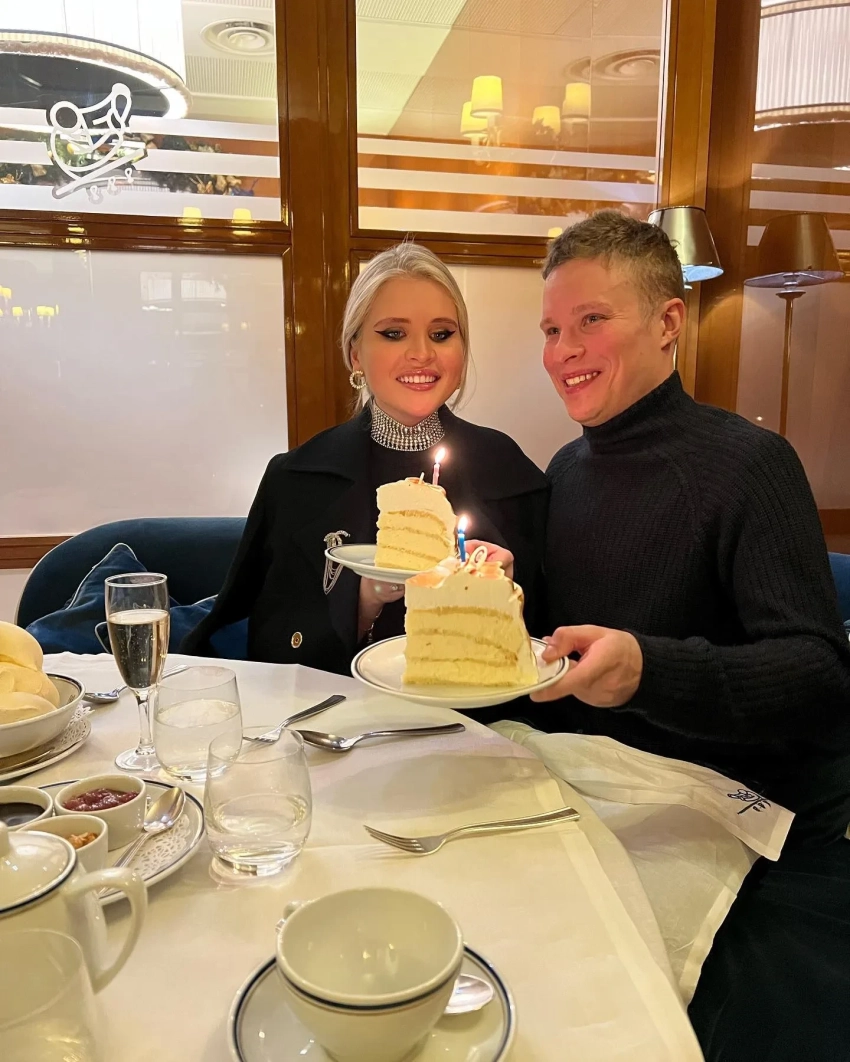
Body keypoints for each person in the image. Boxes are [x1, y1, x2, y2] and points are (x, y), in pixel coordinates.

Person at [489, 210, 850, 1062]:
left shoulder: (750, 466)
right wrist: (496, 600)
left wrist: (650, 671)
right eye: (551, 329)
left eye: (591, 319)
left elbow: (818, 673)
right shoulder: (566, 469)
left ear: (667, 322)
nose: (563, 350)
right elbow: (559, 650)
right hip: (589, 784)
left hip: (715, 805)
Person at [182, 242, 547, 672]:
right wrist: (362, 601)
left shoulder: (509, 470)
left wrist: (507, 595)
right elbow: (273, 649)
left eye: (441, 334)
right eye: (393, 333)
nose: (422, 353)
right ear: (355, 353)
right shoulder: (296, 479)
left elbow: (551, 640)